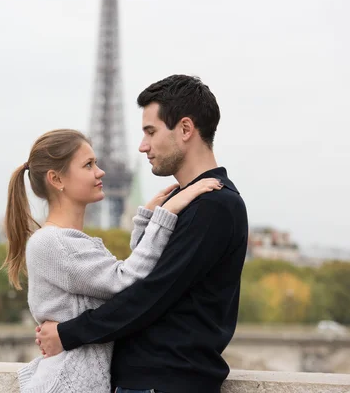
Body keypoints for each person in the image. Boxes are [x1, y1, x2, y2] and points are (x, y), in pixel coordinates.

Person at [36, 75, 249, 393]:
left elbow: (150, 294)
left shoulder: (213, 205)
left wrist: (68, 333)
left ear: (185, 129)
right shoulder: (187, 201)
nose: (142, 146)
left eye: (150, 131)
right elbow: (142, 279)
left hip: (164, 382)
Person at [2, 128, 222, 392]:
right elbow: (125, 280)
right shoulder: (54, 243)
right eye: (88, 165)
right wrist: (166, 214)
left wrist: (144, 221)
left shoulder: (69, 241)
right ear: (56, 178)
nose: (100, 171)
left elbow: (124, 284)